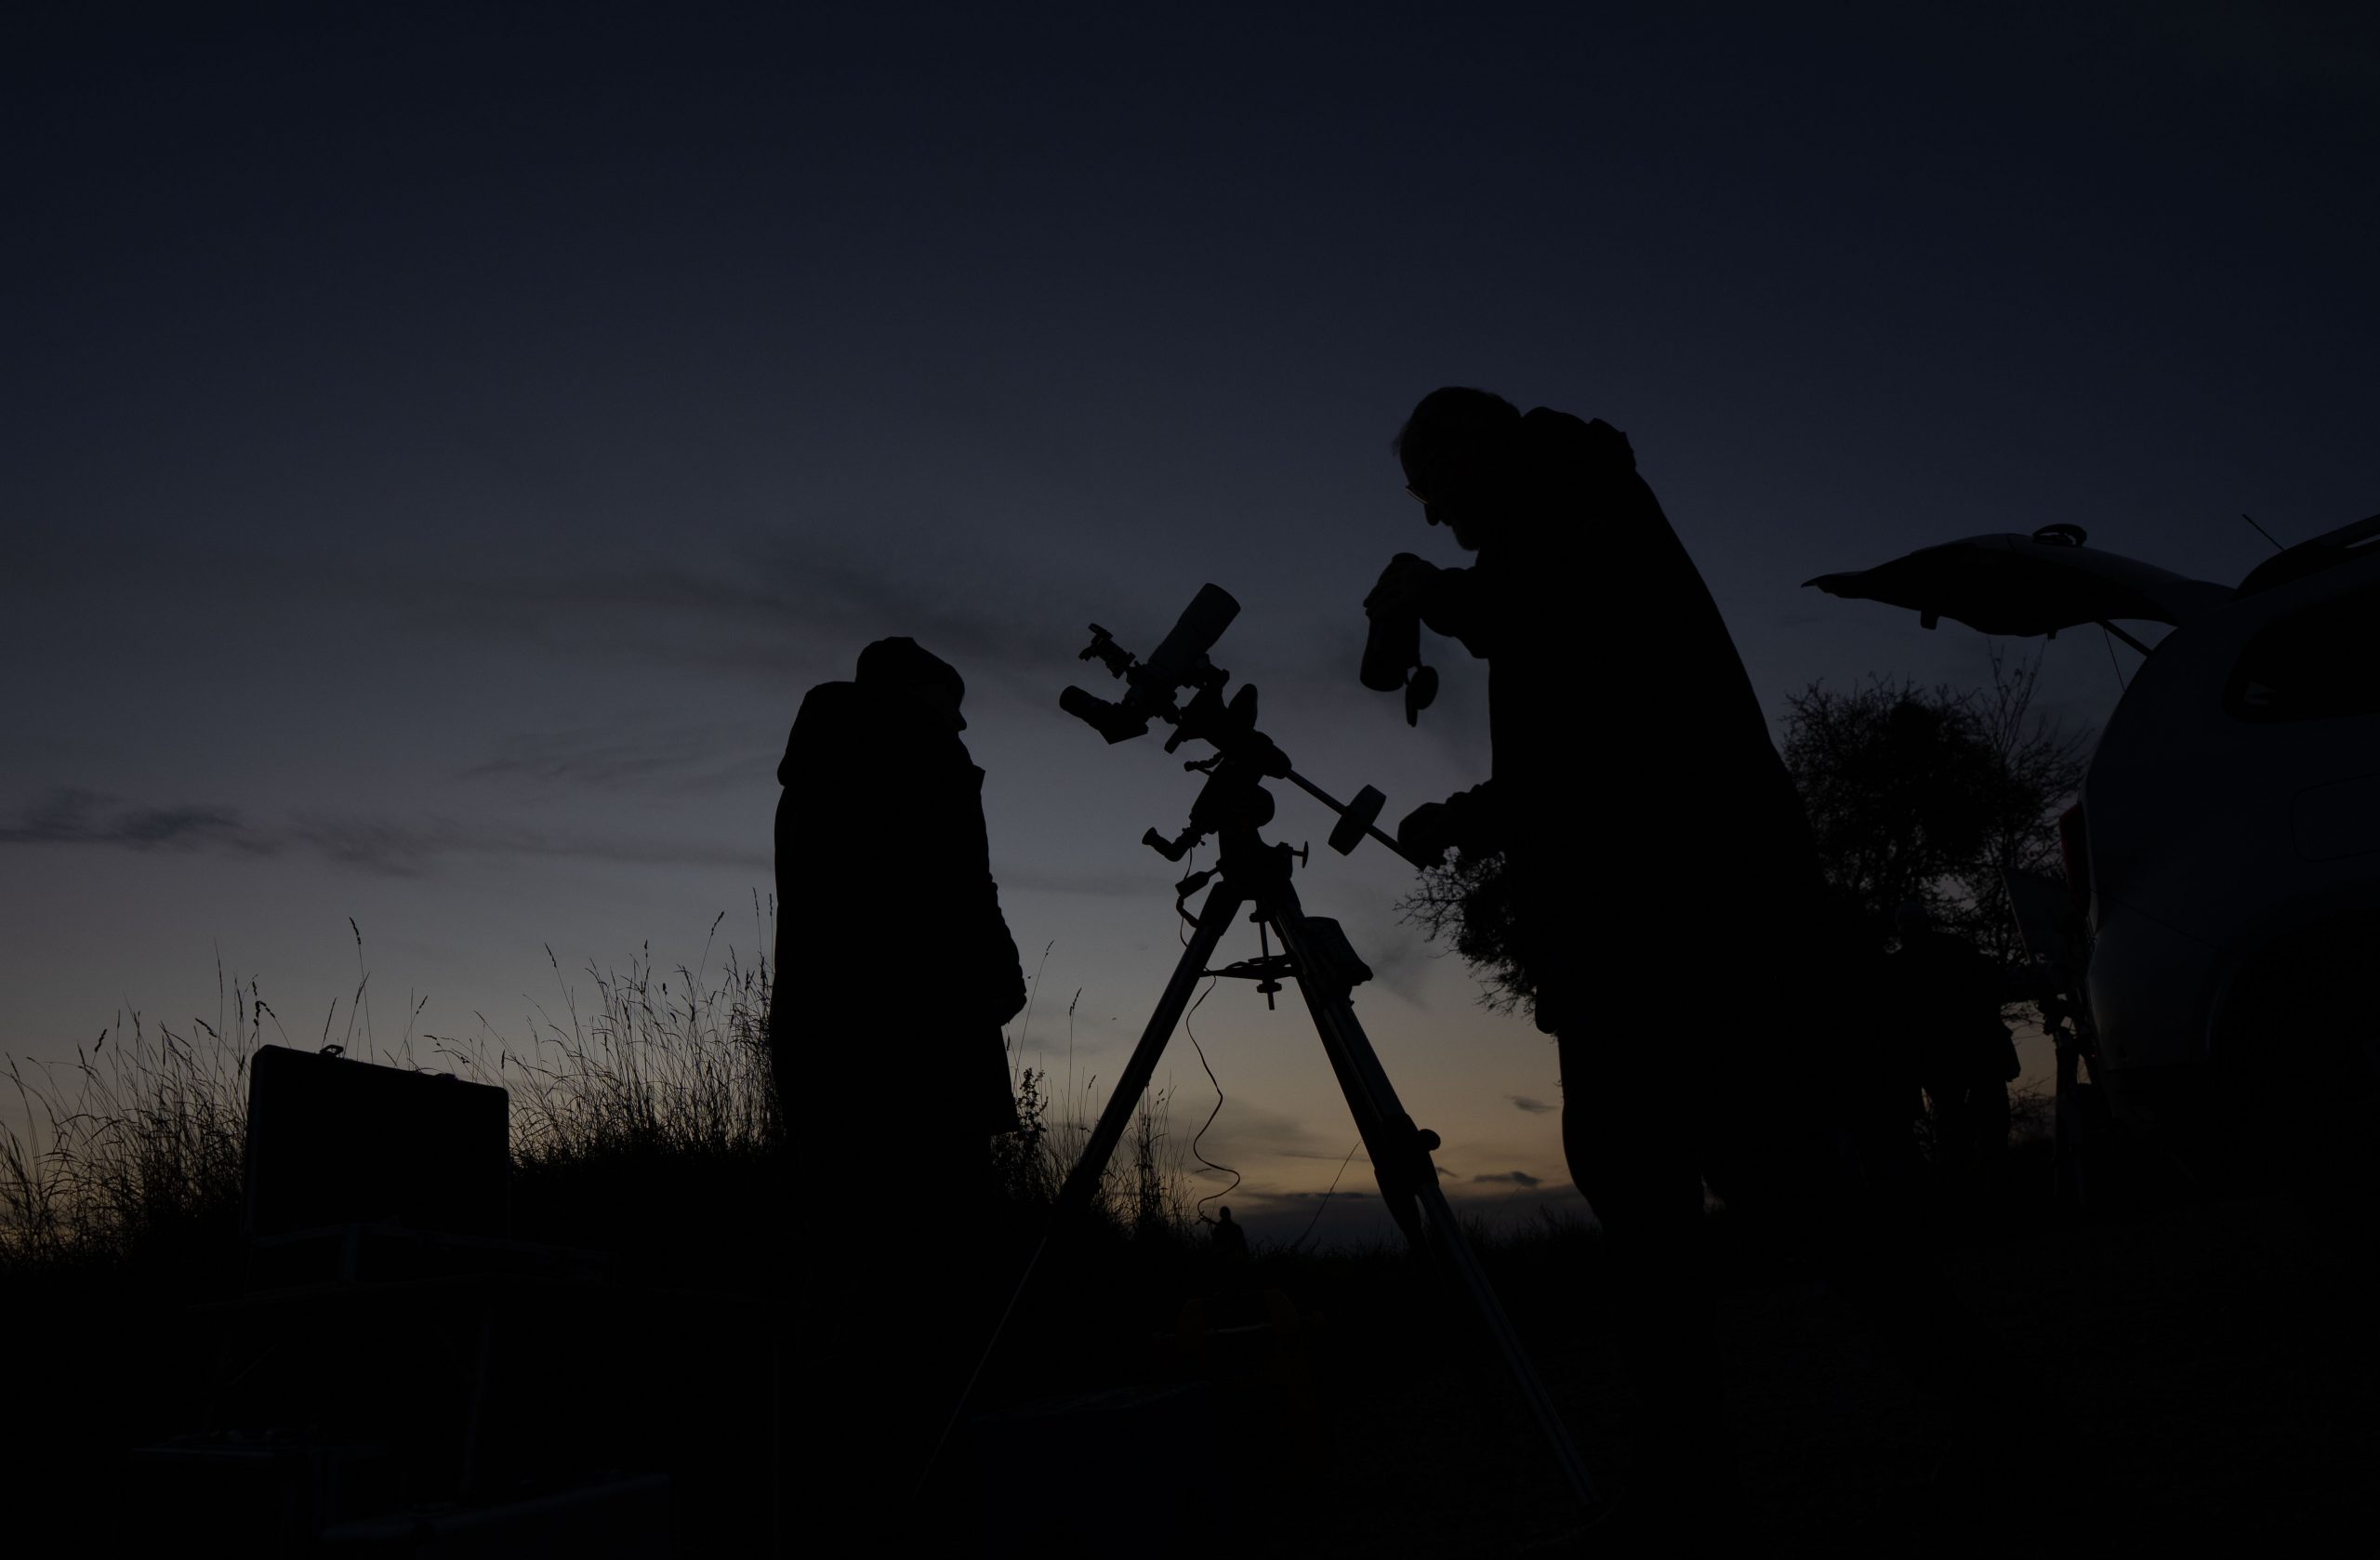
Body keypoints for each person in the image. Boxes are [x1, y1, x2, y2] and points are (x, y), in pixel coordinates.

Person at [1366, 388, 2005, 1528]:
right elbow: (1602, 738)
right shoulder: (1570, 515)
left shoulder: (1569, 503)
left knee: (1721, 1187)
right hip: (1661, 914)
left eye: (1437, 497)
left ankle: (1727, 1469)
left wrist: (1430, 591)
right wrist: (1472, 815)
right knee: (1725, 1187)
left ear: (1470, 468)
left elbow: (1550, 629)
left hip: (1679, 922)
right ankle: (1775, 1451)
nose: (1443, 519)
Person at [768, 636, 1026, 1544]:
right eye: (950, 707)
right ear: (918, 698)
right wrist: (998, 975)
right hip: (919, 1064)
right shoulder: (924, 761)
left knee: (845, 1272)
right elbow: (955, 889)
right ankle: (931, 1489)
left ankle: (827, 1487)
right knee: (933, 1287)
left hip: (828, 1061)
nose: (960, 725)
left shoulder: (813, 778)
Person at [1893, 901, 2019, 1214]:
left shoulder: (1898, 967)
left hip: (1943, 1063)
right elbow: (1992, 980)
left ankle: (1965, 1204)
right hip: (1973, 1056)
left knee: (1956, 1131)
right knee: (1985, 1130)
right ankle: (1993, 1200)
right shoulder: (1956, 949)